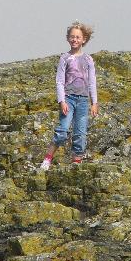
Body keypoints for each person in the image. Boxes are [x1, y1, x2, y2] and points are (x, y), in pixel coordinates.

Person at [40, 22, 98, 170]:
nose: (75, 40)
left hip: (83, 101)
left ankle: (76, 162)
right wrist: (62, 101)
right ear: (68, 38)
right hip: (68, 99)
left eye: (78, 37)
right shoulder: (64, 58)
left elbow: (92, 82)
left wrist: (94, 102)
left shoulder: (88, 59)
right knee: (63, 131)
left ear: (84, 39)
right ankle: (48, 158)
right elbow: (59, 81)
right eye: (72, 37)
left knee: (80, 133)